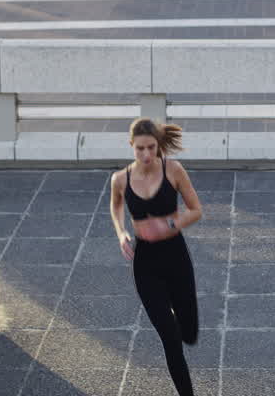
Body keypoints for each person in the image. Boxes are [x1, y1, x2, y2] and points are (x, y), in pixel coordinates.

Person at [109, 118, 204, 396]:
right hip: (145, 263)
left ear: (158, 146)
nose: (147, 155)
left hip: (176, 256)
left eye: (151, 147)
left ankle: (181, 320)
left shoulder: (173, 170)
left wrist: (171, 225)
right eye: (140, 149)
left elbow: (196, 209)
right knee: (171, 339)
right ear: (131, 146)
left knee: (188, 332)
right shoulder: (120, 179)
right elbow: (115, 207)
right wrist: (121, 232)